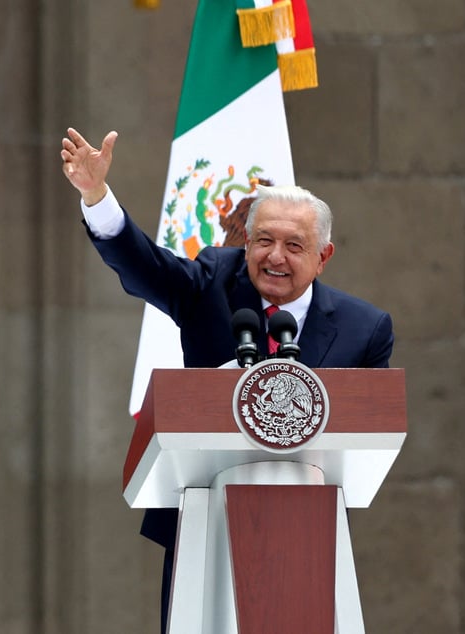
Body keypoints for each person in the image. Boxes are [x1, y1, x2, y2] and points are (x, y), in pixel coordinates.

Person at [60, 127, 394, 632]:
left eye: (293, 245)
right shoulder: (213, 281)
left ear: (323, 257)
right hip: (203, 516)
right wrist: (96, 196)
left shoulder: (365, 327)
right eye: (263, 240)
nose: (274, 257)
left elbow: (372, 428)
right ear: (246, 240)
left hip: (310, 529)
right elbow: (146, 268)